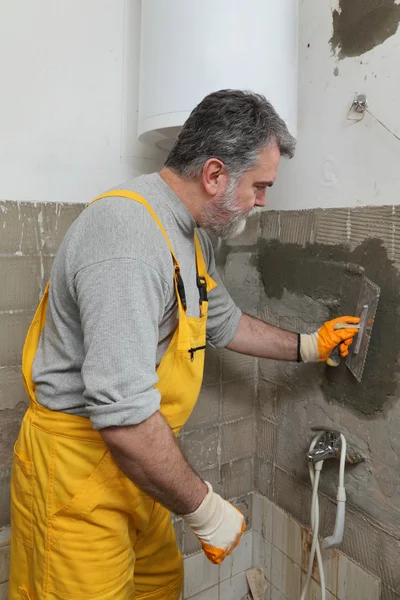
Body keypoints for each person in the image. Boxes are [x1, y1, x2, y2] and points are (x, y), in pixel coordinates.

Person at [9, 90, 359, 600]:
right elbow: (124, 418)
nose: (262, 201)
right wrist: (205, 509)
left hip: (136, 472)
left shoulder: (190, 235)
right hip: (77, 474)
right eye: (259, 186)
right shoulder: (127, 238)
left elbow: (224, 323)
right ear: (215, 175)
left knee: (159, 585)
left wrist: (309, 346)